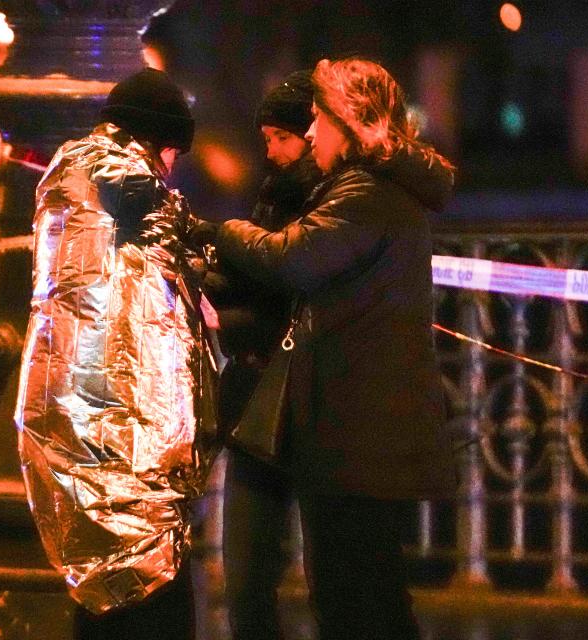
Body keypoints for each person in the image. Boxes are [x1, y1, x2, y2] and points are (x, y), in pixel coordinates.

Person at [194, 57, 457, 639]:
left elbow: (293, 258)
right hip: (359, 425)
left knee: (353, 599)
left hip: (355, 429)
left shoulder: (364, 191)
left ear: (350, 119)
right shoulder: (377, 188)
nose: (311, 133)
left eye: (316, 120)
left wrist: (224, 232)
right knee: (370, 595)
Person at [14, 67, 218, 640]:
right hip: (121, 428)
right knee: (148, 578)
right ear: (159, 142)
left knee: (98, 582)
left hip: (62, 419)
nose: (172, 169)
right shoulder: (127, 178)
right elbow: (177, 239)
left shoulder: (65, 176)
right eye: (173, 152)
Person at [196, 70, 321, 640]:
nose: (271, 151)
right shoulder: (271, 197)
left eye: (282, 138)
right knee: (245, 573)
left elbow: (286, 292)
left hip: (301, 399)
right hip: (255, 400)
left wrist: (229, 312)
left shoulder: (328, 206)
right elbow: (254, 279)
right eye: (266, 138)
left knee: (323, 574)